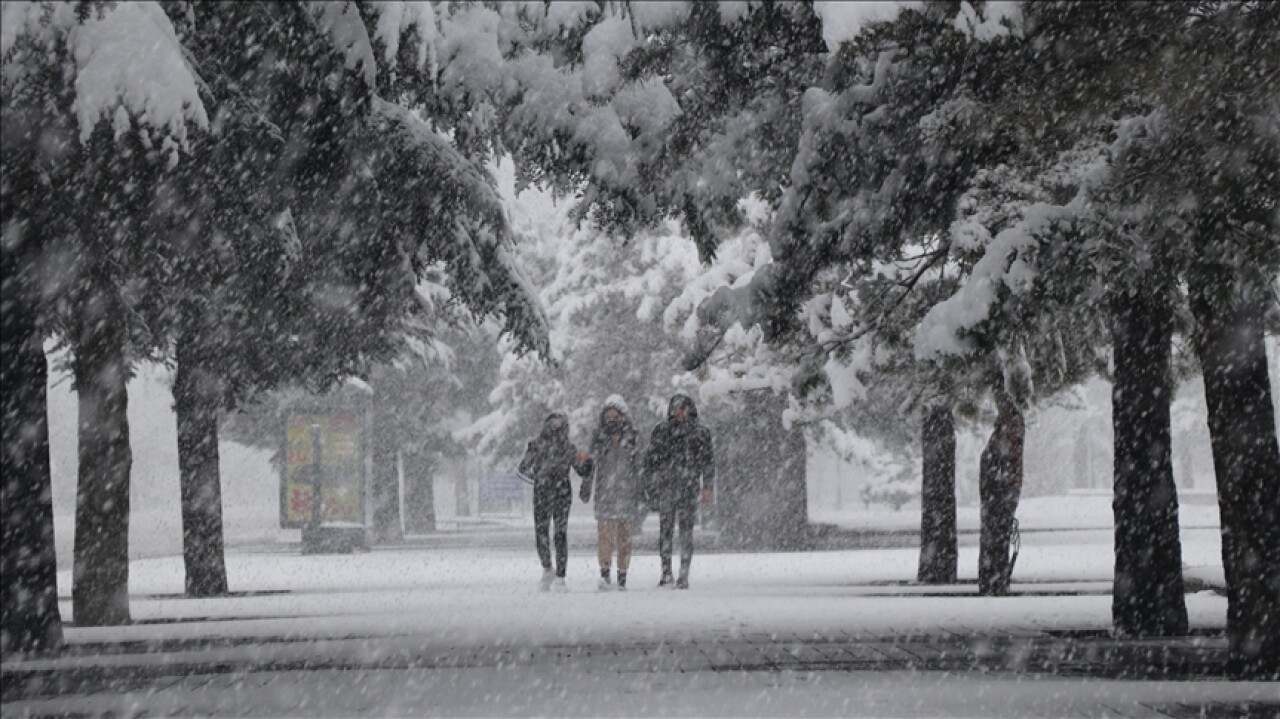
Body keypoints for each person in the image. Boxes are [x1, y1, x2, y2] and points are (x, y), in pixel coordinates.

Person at [643, 394, 714, 589]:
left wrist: (707, 487)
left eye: (683, 408)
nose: (679, 412)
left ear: (689, 409)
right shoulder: (661, 431)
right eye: (676, 408)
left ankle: (684, 574)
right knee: (665, 531)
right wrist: (650, 485)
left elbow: (708, 462)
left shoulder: (700, 433)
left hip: (689, 488)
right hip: (666, 487)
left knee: (686, 531)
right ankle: (666, 572)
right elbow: (650, 460)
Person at [519, 413, 593, 591]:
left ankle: (560, 576)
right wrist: (537, 478)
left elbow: (582, 471)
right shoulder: (536, 445)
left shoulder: (569, 448)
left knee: (560, 534)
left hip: (561, 494)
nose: (555, 426)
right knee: (541, 533)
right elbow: (522, 468)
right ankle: (547, 568)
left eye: (559, 423)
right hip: (542, 493)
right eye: (552, 422)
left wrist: (588, 462)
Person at [580, 395, 642, 591]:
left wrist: (643, 490)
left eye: (616, 415)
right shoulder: (598, 437)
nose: (612, 419)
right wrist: (586, 485)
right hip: (605, 493)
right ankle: (605, 575)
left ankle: (622, 577)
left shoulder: (632, 436)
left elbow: (640, 466)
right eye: (609, 415)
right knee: (604, 537)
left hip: (626, 492)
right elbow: (590, 464)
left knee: (625, 538)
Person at [978, 386, 1024, 596]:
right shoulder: (1008, 428)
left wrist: (996, 484)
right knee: (996, 539)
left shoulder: (1009, 429)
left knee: (995, 539)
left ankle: (994, 580)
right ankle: (995, 579)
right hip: (999, 493)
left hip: (999, 493)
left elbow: (1007, 461)